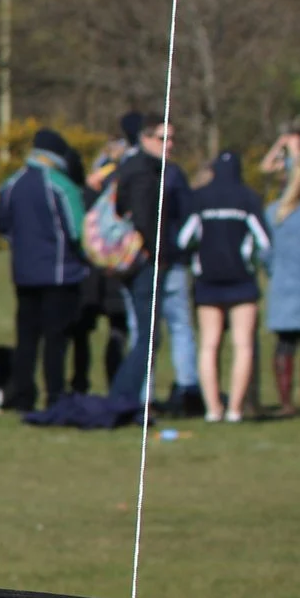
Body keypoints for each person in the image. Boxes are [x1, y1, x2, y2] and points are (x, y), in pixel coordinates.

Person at [0, 128, 92, 412]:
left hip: (24, 273)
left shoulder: (11, 184)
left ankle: (23, 395)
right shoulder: (61, 186)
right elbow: (77, 230)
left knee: (26, 338)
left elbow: (2, 225)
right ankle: (55, 394)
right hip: (60, 274)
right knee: (55, 339)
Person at [109, 117, 197, 412]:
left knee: (162, 331)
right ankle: (134, 396)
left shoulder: (152, 170)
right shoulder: (146, 172)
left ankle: (179, 389)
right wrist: (156, 251)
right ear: (145, 139)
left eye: (172, 139)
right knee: (148, 334)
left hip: (153, 261)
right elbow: (145, 218)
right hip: (150, 263)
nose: (169, 145)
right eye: (162, 139)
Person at [179, 149, 270, 423]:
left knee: (209, 344)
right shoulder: (248, 198)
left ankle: (212, 409)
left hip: (207, 280)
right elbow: (264, 241)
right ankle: (235, 410)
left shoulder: (200, 197)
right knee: (243, 345)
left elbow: (183, 239)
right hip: (242, 280)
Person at [266, 155, 300, 414]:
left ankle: (286, 402)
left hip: (283, 285)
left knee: (284, 344)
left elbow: (263, 252)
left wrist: (272, 271)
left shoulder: (274, 211)